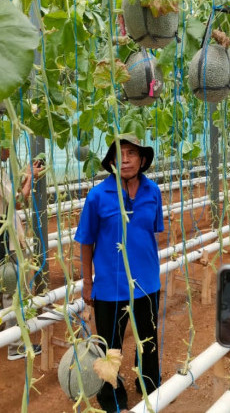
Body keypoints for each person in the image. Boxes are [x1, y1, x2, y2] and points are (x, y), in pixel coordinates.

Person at [75, 134, 164, 413]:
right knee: (110, 350)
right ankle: (112, 400)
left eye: (131, 153)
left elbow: (152, 233)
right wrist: (87, 282)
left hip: (148, 285)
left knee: (148, 343)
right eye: (119, 154)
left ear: (142, 159)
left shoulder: (153, 192)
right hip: (110, 289)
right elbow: (85, 242)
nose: (125, 159)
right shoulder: (98, 195)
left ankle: (151, 388)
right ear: (111, 162)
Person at [0, 132, 41, 360]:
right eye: (7, 147)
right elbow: (18, 201)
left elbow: (4, 196)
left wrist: (24, 176)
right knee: (13, 291)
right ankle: (16, 346)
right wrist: (30, 178)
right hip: (8, 240)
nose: (10, 151)